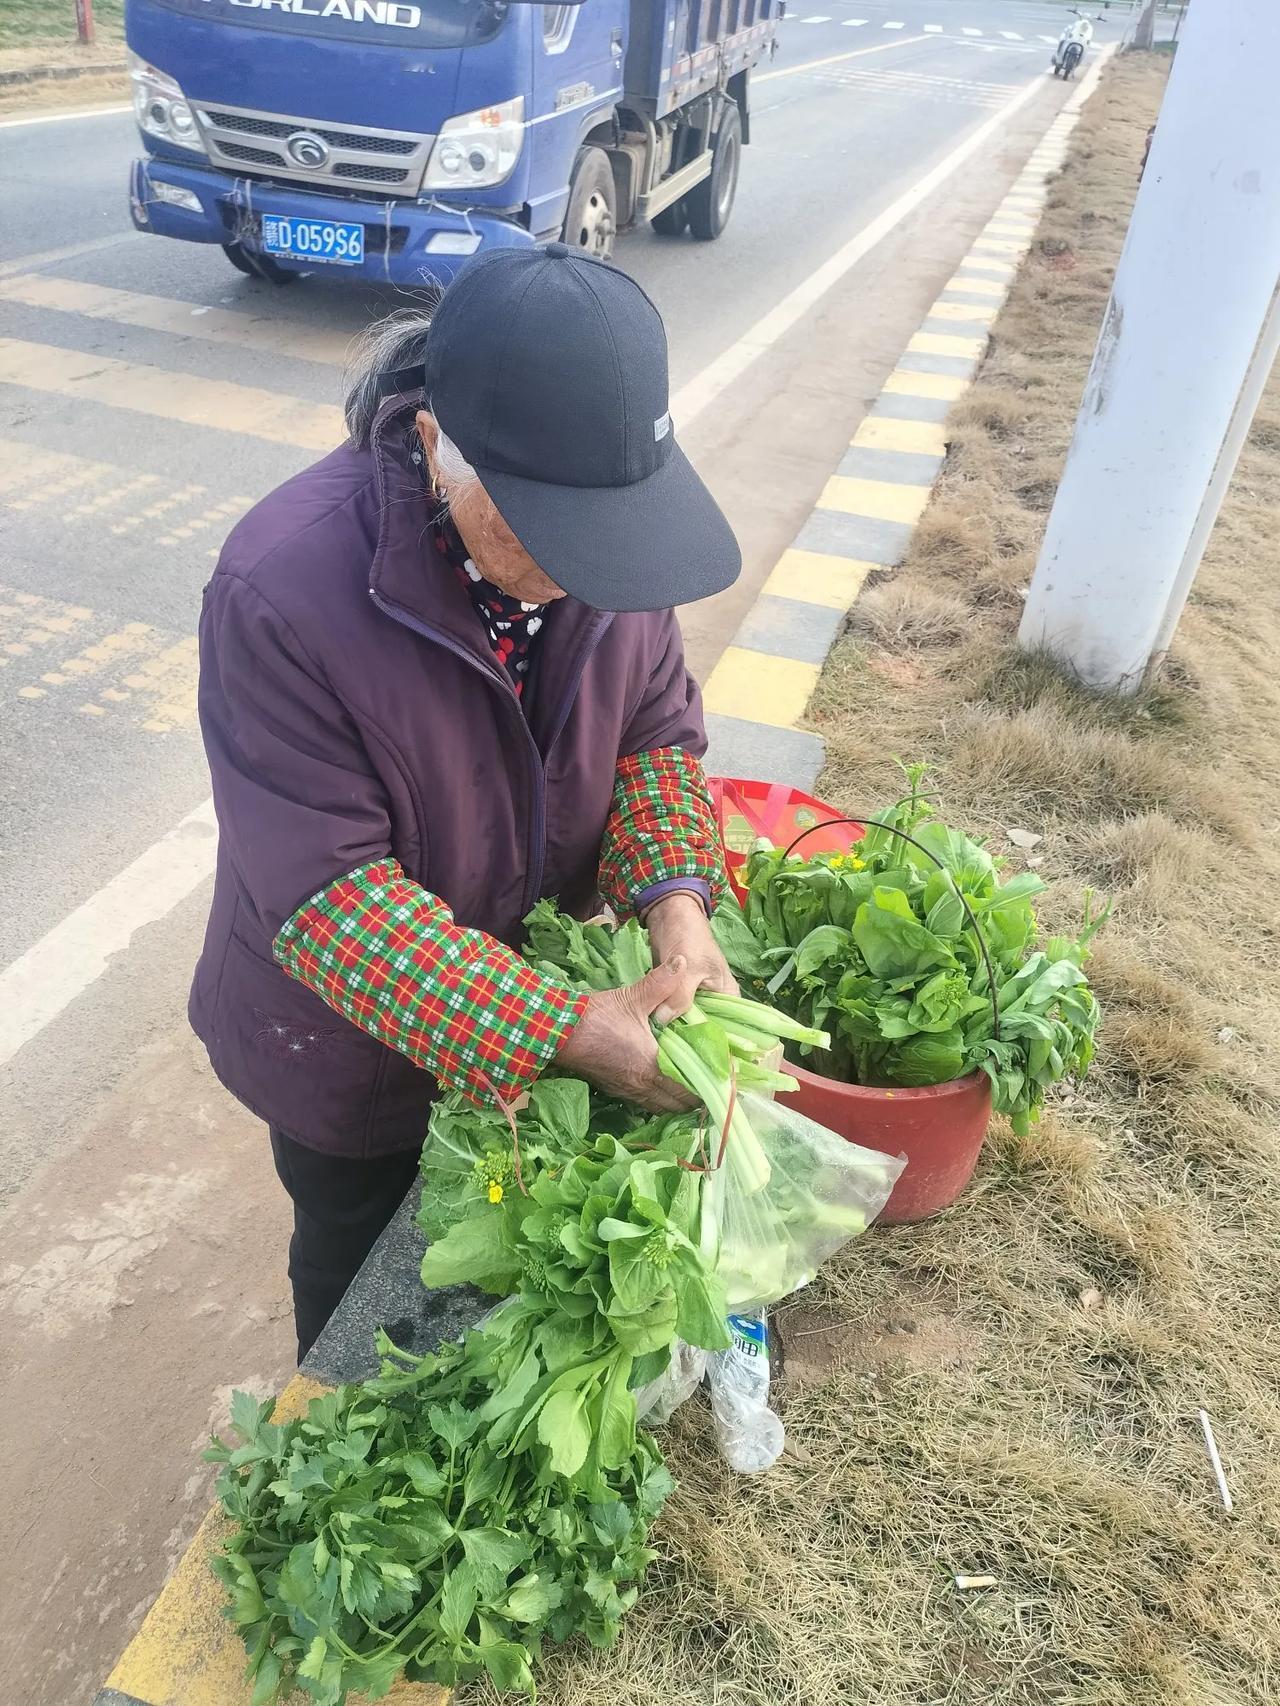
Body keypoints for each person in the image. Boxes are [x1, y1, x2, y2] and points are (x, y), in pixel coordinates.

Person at [190, 246, 742, 1360]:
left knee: (490, 1240)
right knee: (358, 1281)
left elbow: (652, 737)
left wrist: (676, 908)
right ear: (437, 445)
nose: (575, 571)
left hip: (526, 996)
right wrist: (564, 1027)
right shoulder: (283, 591)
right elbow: (332, 900)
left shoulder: (600, 554)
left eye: (602, 537)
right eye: (538, 532)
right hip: (347, 1050)